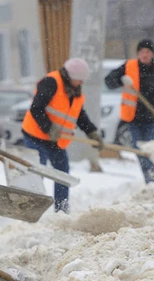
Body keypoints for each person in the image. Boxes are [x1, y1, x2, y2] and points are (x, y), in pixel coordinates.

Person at [21, 58, 103, 213]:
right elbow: (36, 108)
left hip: (56, 141)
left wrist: (92, 132)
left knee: (62, 175)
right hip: (35, 136)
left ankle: (61, 210)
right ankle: (28, 210)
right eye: (79, 80)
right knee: (36, 173)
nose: (81, 83)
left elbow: (79, 115)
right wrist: (49, 128)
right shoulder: (51, 82)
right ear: (70, 76)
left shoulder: (76, 91)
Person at [104, 39, 154, 184]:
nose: (144, 55)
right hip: (135, 120)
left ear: (152, 54)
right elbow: (109, 81)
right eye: (142, 52)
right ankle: (150, 180)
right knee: (139, 151)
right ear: (138, 53)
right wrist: (121, 80)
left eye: (148, 52)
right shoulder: (128, 67)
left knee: (152, 151)